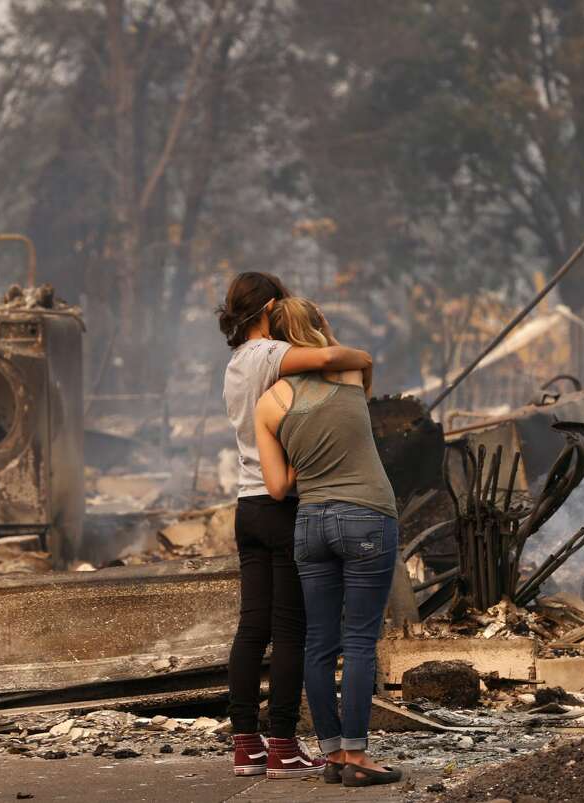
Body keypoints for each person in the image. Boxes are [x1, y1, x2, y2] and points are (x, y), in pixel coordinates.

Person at [216, 272, 373, 779]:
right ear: (269, 307)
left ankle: (246, 744)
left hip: (247, 506)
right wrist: (358, 355)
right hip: (282, 502)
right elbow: (328, 359)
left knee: (251, 628)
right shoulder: (266, 354)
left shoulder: (234, 364)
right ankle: (282, 742)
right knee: (291, 632)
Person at [254, 297, 403, 788]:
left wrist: (308, 456)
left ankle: (333, 755)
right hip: (366, 516)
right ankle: (359, 757)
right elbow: (357, 356)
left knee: (319, 641)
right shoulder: (351, 375)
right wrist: (323, 327)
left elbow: (277, 487)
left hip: (311, 524)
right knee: (360, 639)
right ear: (319, 326)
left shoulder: (268, 402)